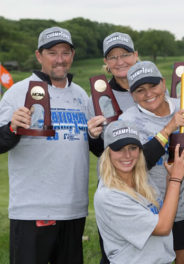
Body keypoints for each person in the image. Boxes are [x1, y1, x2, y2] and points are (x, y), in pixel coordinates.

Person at [0, 26, 90, 263]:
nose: (60, 59)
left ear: (72, 55)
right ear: (39, 55)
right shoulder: (18, 92)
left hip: (74, 208)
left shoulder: (81, 96)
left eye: (65, 52)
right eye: (52, 52)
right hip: (33, 209)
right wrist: (12, 128)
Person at [120, 61, 184, 263]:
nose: (149, 93)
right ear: (132, 95)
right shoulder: (127, 121)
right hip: (149, 213)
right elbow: (135, 164)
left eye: (153, 86)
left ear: (164, 82)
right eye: (140, 90)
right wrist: (169, 127)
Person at [94, 120, 184, 264]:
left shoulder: (141, 179)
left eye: (132, 147)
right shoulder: (109, 196)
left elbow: (160, 213)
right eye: (119, 149)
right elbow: (162, 227)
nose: (127, 155)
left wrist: (170, 180)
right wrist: (175, 179)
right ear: (108, 153)